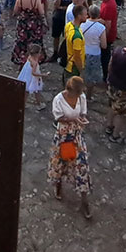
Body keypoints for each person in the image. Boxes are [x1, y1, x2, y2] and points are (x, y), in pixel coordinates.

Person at [48, 76, 92, 220]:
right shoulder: (58, 99)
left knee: (82, 166)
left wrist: (82, 118)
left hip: (76, 136)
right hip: (63, 136)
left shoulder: (81, 98)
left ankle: (84, 201)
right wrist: (73, 119)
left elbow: (83, 112)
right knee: (61, 163)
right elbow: (58, 117)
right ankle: (58, 184)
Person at [10, 0, 48, 65]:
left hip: (23, 23)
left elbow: (15, 11)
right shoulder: (36, 0)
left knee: (22, 41)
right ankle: (34, 58)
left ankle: (21, 58)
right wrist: (45, 24)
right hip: (34, 24)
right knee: (35, 41)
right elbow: (42, 13)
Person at [17, 43, 47, 108]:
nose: (40, 54)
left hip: (27, 76)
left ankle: (23, 104)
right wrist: (42, 75)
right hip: (32, 78)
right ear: (36, 54)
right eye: (39, 53)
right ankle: (39, 104)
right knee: (37, 91)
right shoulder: (35, 63)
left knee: (26, 91)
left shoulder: (30, 57)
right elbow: (34, 73)